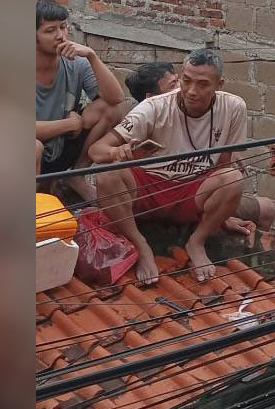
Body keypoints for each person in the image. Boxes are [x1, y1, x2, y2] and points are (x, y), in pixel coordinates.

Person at [89, 49, 247, 284]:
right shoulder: (153, 107)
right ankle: (141, 246)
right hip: (147, 187)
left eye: (203, 84)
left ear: (219, 84)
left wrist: (223, 216)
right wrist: (117, 152)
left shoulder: (234, 107)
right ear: (181, 76)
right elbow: (96, 150)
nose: (192, 91)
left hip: (192, 191)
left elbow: (224, 163)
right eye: (186, 80)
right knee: (106, 173)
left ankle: (196, 241)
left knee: (233, 178)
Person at [35, 0, 127, 199]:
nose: (60, 35)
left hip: (62, 146)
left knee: (109, 109)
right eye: (50, 30)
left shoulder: (76, 63)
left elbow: (116, 98)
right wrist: (69, 124)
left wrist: (92, 56)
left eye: (63, 27)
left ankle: (76, 176)